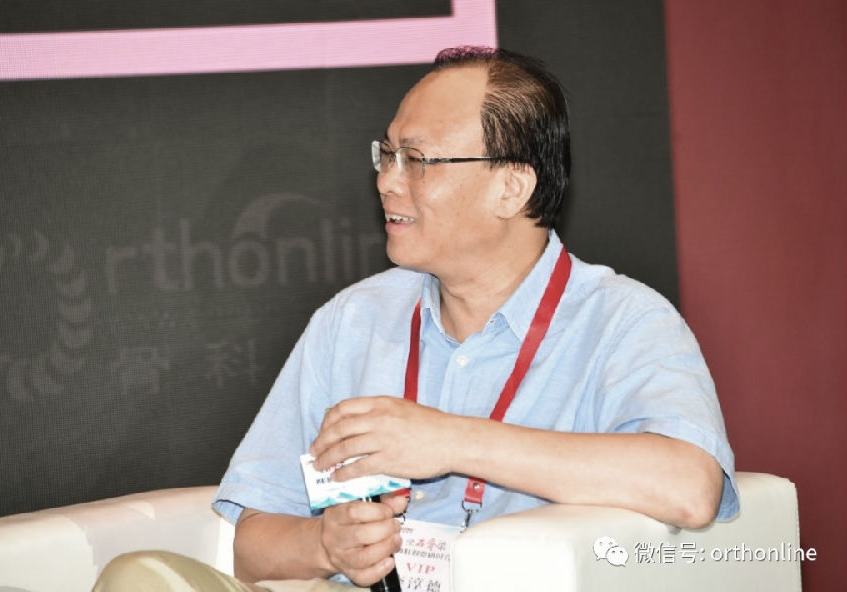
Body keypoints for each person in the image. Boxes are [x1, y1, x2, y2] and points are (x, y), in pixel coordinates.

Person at [94, 46, 739, 592]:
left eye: (418, 160)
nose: (386, 181)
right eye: (387, 154)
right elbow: (253, 544)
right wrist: (327, 545)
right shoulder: (353, 321)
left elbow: (690, 486)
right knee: (138, 579)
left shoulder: (621, 321)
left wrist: (449, 441)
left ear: (511, 187)